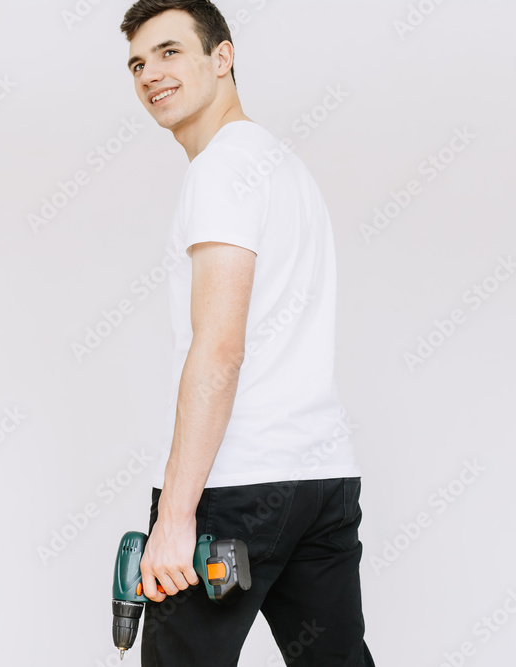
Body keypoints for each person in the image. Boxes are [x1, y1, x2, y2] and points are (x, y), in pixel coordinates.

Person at [119, 2, 376, 665]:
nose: (151, 74)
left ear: (222, 57)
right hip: (322, 477)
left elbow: (220, 346)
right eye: (138, 63)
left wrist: (176, 517)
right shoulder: (284, 166)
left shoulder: (221, 170)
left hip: (235, 486)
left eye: (171, 52)